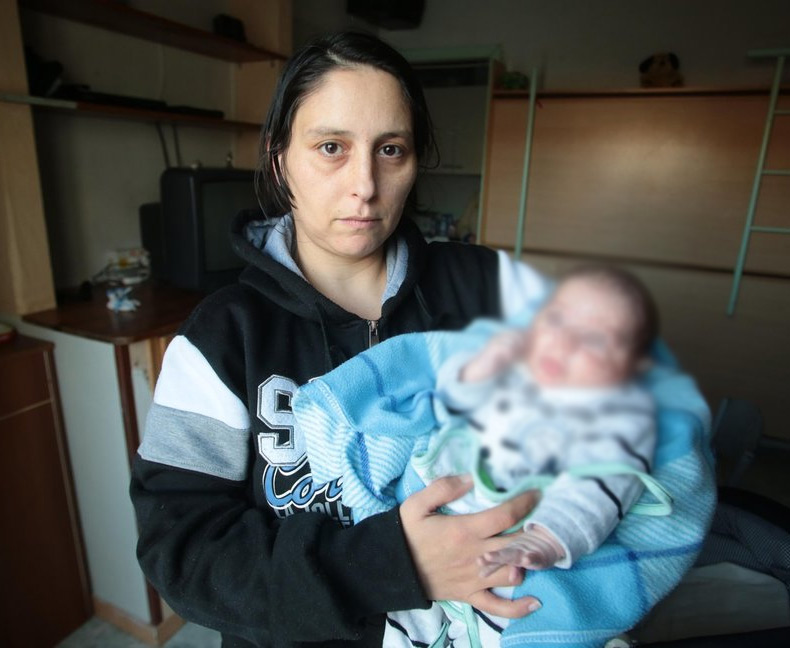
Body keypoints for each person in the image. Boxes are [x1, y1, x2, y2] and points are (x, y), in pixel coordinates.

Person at [130, 31, 547, 648]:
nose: (365, 185)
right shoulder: (221, 338)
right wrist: (390, 566)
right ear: (280, 160)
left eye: (391, 150)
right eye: (331, 147)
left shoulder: (490, 287)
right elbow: (183, 552)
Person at [294, 265, 681, 646]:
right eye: (557, 320)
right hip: (431, 526)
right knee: (405, 627)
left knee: (509, 626)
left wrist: (549, 540)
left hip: (517, 551)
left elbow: (601, 488)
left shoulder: (613, 418)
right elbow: (446, 398)